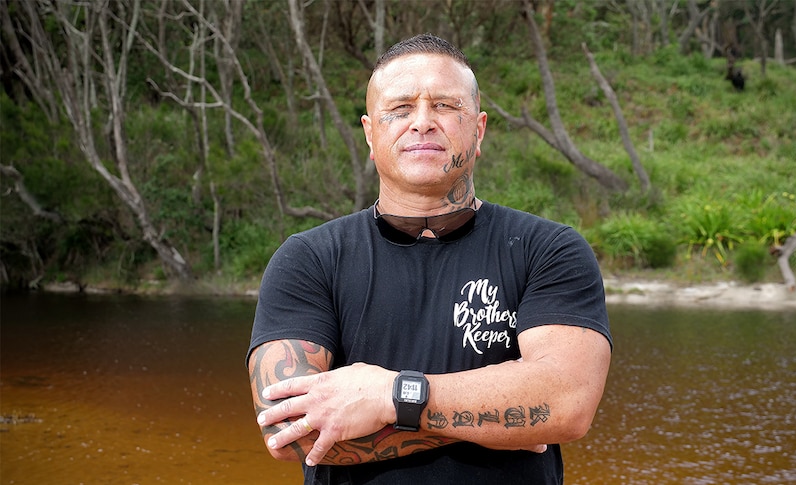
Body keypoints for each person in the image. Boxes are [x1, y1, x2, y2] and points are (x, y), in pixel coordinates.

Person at [247, 33, 612, 485]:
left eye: (444, 106)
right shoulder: (308, 259)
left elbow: (567, 404)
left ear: (477, 130)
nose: (422, 122)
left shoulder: (549, 250)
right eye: (400, 109)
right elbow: (292, 432)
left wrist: (389, 395)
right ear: (370, 133)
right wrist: (501, 419)